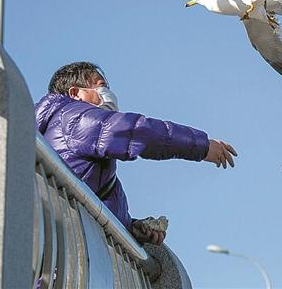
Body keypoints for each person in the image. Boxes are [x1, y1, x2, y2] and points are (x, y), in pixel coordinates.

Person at [35, 61, 237, 245]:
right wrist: (202, 146)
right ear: (75, 93)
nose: (107, 93)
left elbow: (92, 197)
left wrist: (131, 228)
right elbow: (139, 132)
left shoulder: (66, 129)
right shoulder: (74, 118)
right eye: (100, 86)